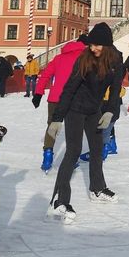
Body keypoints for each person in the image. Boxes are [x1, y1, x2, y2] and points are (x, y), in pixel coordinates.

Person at [46, 22, 123, 223]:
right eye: (91, 44)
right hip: (75, 109)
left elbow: (115, 91)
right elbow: (69, 89)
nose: (93, 48)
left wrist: (110, 111)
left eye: (97, 45)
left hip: (94, 110)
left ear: (107, 45)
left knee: (97, 149)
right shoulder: (84, 59)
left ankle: (97, 188)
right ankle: (60, 201)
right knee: (73, 152)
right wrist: (57, 118)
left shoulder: (115, 61)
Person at [33, 35, 88, 172]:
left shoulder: (59, 58)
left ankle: (47, 154)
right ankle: (72, 157)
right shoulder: (85, 58)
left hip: (55, 98)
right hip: (74, 98)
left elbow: (45, 75)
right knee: (74, 129)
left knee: (51, 126)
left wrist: (38, 93)